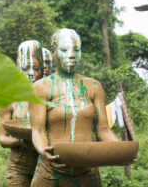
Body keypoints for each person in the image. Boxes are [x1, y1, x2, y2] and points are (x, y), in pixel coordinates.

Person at [29, 28, 119, 187]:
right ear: (54, 53)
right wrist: (45, 151)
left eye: (76, 50)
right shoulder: (41, 87)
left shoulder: (94, 87)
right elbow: (37, 130)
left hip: (87, 173)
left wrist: (120, 151)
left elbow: (103, 129)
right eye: (64, 50)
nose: (71, 54)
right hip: (51, 173)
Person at [0, 40, 44, 187]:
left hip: (44, 163)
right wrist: (20, 141)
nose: (31, 73)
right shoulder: (9, 99)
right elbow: (2, 139)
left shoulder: (51, 97)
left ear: (42, 69)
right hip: (19, 163)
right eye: (25, 68)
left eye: (36, 68)